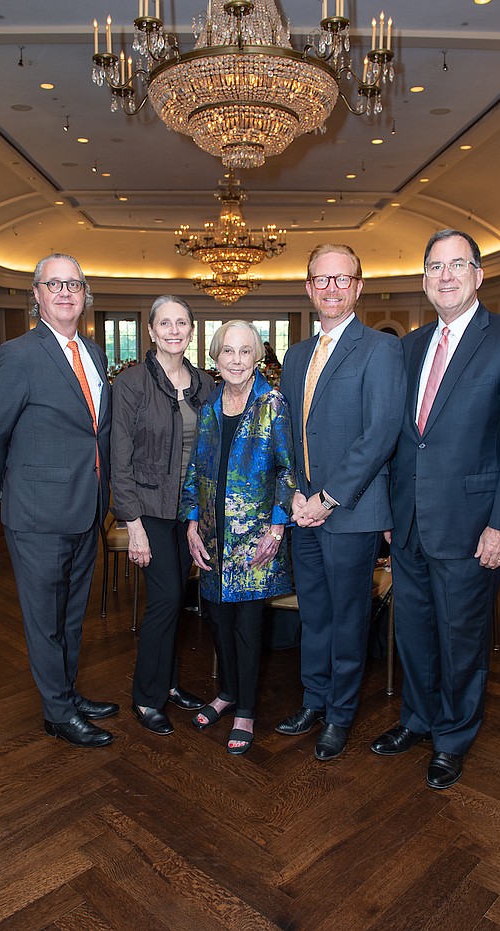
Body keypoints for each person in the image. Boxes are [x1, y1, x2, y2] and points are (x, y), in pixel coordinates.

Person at [371, 229, 500, 788]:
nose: (445, 276)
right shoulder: (410, 345)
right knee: (415, 633)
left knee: (462, 638)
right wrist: (386, 512)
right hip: (408, 522)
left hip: (474, 526)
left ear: (478, 275)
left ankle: (453, 737)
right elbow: (396, 438)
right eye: (434, 267)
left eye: (457, 265)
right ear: (424, 279)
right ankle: (419, 719)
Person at [0, 253, 118, 748]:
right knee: (43, 619)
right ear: (36, 295)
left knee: (71, 615)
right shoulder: (19, 354)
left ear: (85, 295)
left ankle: (68, 693)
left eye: (73, 284)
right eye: (52, 284)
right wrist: (13, 484)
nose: (64, 292)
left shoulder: (94, 354)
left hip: (86, 507)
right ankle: (56, 713)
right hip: (36, 514)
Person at [275, 244, 406, 761]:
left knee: (349, 617)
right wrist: (293, 494)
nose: (330, 288)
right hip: (302, 509)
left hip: (350, 511)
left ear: (358, 286)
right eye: (320, 280)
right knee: (314, 613)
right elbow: (285, 431)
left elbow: (379, 435)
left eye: (341, 279)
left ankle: (340, 714)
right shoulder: (297, 354)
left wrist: (326, 499)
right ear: (308, 288)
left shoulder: (379, 349)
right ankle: (313, 698)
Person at [180, 321, 295, 755]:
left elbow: (288, 470)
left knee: (248, 627)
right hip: (211, 535)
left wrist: (278, 524)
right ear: (215, 357)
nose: (236, 360)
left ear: (257, 358)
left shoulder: (272, 403)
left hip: (253, 540)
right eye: (227, 352)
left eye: (245, 352)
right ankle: (226, 692)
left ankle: (245, 708)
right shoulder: (210, 405)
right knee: (218, 621)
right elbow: (196, 468)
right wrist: (192, 520)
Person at [110, 296, 214, 735]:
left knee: (176, 601)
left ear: (192, 331)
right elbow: (119, 459)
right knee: (168, 599)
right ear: (150, 331)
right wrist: (133, 526)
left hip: (189, 513)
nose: (174, 330)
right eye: (164, 323)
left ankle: (169, 684)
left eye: (182, 323)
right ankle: (146, 696)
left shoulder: (203, 383)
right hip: (149, 511)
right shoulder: (132, 383)